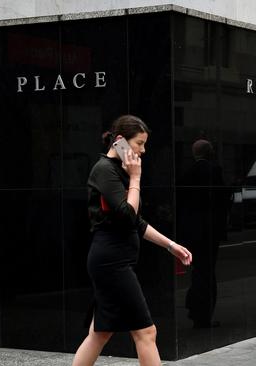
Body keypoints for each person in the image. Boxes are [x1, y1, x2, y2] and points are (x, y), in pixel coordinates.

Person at [73, 115, 193, 366]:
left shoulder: (118, 170)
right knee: (146, 332)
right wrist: (136, 179)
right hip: (111, 262)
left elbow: (137, 223)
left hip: (113, 260)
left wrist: (170, 245)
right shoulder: (105, 170)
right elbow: (129, 217)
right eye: (139, 143)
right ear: (120, 141)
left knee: (100, 333)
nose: (143, 150)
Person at [178, 139, 229, 329]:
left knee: (199, 270)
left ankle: (195, 309)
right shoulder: (214, 171)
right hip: (209, 230)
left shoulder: (187, 172)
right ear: (210, 152)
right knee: (207, 272)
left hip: (192, 231)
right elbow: (220, 200)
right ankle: (202, 314)